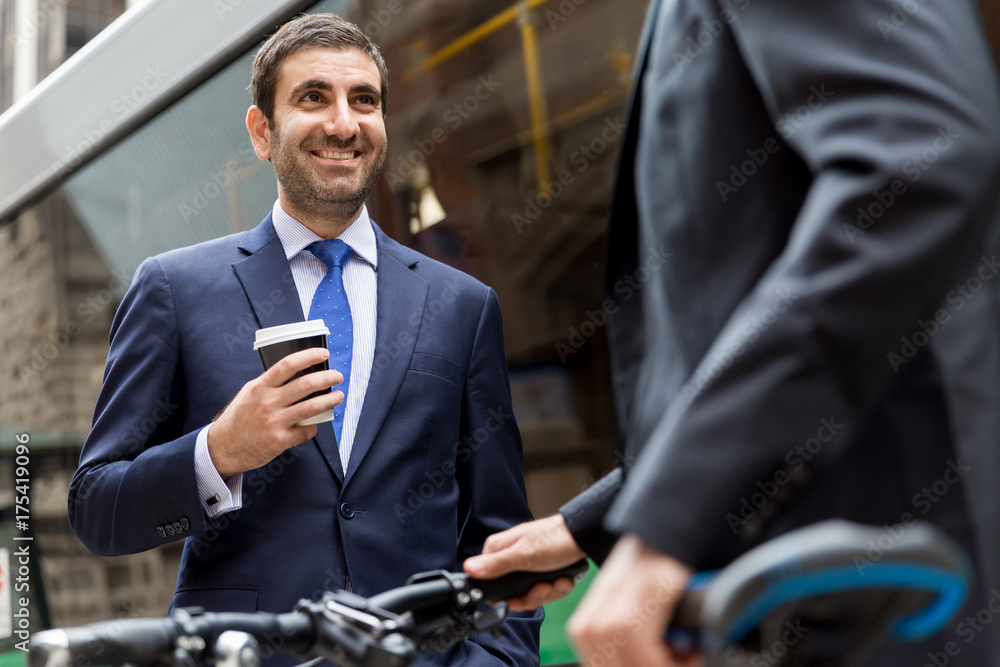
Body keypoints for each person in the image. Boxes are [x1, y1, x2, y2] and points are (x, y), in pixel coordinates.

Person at [463, 0, 1000, 665]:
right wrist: (598, 520)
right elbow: (732, 305)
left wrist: (662, 528)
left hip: (897, 598)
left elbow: (919, 160)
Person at [68, 13, 541, 666]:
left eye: (364, 101)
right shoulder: (174, 288)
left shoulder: (462, 304)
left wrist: (497, 662)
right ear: (262, 132)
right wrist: (220, 451)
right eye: (313, 97)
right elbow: (98, 510)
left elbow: (503, 533)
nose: (344, 123)